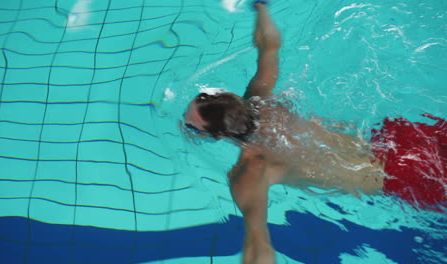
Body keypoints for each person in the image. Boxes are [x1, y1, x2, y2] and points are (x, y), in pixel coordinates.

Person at [183, 1, 446, 264]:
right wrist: (261, 6)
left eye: (189, 124)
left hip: (406, 177)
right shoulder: (262, 99)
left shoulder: (248, 173)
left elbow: (258, 244)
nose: (185, 125)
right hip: (400, 139)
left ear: (219, 136)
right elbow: (269, 45)